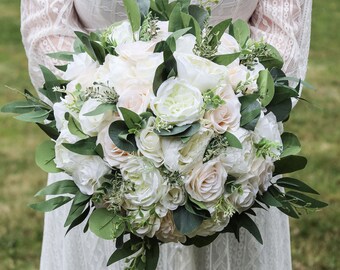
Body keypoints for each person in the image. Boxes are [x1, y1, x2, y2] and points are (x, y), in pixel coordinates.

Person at [21, 1, 312, 269]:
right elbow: (45, 28)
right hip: (100, 154)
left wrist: (225, 124)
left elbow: (281, 32)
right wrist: (101, 117)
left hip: (233, 159)